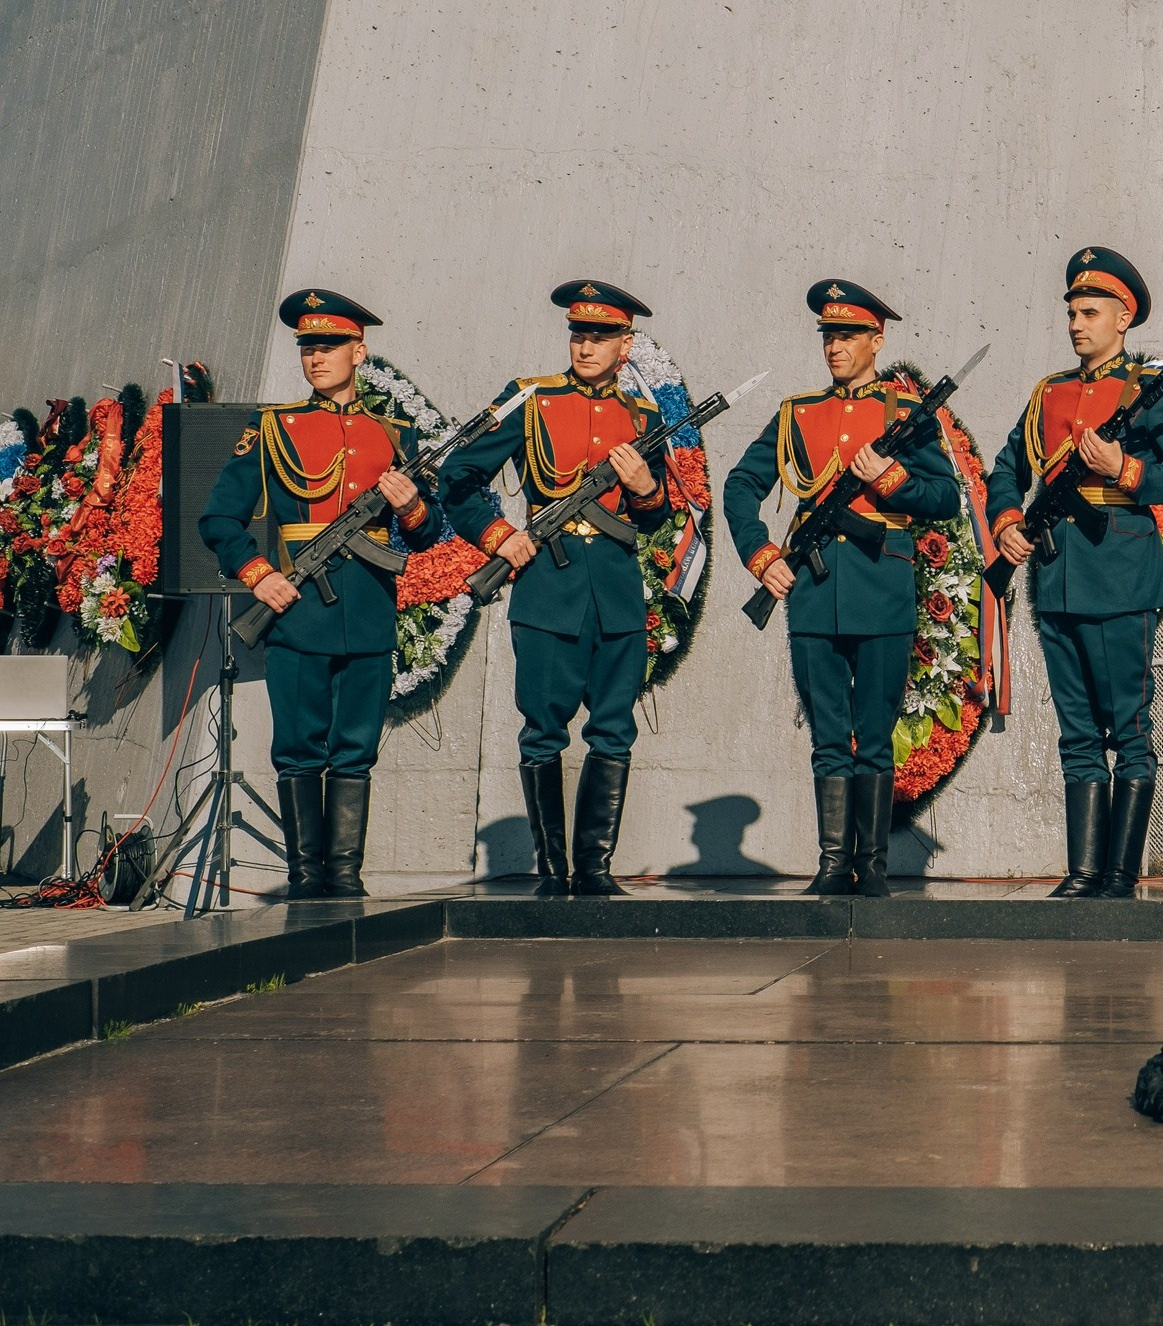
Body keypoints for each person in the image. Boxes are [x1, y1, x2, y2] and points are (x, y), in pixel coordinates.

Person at [199, 289, 445, 898]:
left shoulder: (394, 435)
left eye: (330, 346)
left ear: (359, 351)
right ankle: (308, 878)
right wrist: (259, 574)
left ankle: (346, 878)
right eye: (308, 346)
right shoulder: (273, 429)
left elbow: (429, 530)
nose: (316, 357)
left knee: (356, 750)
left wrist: (411, 507)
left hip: (368, 609)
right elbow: (219, 520)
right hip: (297, 611)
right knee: (300, 749)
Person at [988, 248, 1163, 898]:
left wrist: (1126, 470)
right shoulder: (1050, 394)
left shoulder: (1151, 392)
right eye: (1072, 312)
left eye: (1090, 312)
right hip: (1058, 573)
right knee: (1079, 731)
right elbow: (1009, 465)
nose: (1077, 323)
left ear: (1123, 319)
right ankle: (1085, 870)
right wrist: (1006, 517)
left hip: (1119, 572)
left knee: (1129, 730)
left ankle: (1119, 874)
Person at [722, 280, 961, 896]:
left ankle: (873, 867)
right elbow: (740, 486)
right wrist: (760, 553)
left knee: (874, 736)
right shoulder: (798, 413)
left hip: (883, 590)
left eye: (847, 335)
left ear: (876, 340)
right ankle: (834, 863)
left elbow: (944, 498)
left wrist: (894, 479)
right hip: (814, 594)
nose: (834, 346)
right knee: (830, 735)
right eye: (828, 334)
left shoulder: (907, 415)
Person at [441, 280, 670, 896]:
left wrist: (647, 486)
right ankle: (553, 872)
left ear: (626, 344)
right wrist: (496, 536)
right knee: (543, 729)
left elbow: (656, 515)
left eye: (601, 336)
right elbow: (457, 477)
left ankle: (594, 870)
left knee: (614, 729)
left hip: (616, 594)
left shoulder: (642, 419)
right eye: (579, 333)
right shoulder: (530, 401)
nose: (586, 345)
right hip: (548, 589)